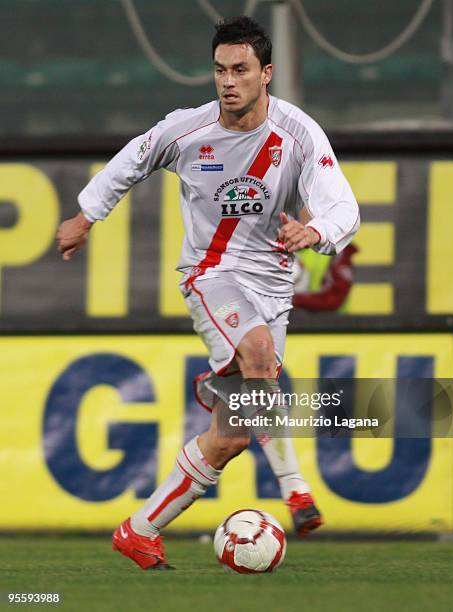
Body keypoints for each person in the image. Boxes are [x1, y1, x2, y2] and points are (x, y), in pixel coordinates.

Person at [56, 16, 360, 570]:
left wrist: (314, 231)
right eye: (220, 70)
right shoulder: (187, 130)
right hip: (210, 275)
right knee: (260, 354)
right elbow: (131, 160)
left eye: (240, 69)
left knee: (231, 437)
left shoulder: (298, 134)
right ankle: (295, 489)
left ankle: (139, 529)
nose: (227, 81)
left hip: (273, 287)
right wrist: (85, 215)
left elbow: (342, 202)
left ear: (266, 74)